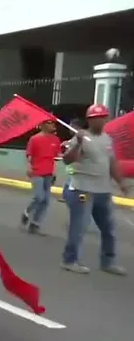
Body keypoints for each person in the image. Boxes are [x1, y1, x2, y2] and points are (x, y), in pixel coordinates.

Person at [61, 104, 128, 275]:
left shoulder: (107, 139)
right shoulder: (80, 137)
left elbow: (111, 162)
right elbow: (67, 160)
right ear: (89, 120)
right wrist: (78, 144)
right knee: (79, 227)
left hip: (103, 191)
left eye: (102, 117)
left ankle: (108, 262)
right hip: (82, 190)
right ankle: (70, 260)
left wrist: (120, 182)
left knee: (108, 228)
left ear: (106, 119)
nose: (99, 121)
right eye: (94, 118)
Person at [21, 120, 61, 235]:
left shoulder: (56, 140)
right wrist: (29, 167)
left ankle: (35, 223)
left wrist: (55, 172)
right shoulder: (34, 139)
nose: (52, 126)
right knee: (39, 197)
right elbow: (29, 155)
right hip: (37, 171)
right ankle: (27, 212)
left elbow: (56, 157)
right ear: (42, 125)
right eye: (49, 123)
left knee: (46, 200)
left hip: (49, 173)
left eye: (53, 124)